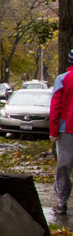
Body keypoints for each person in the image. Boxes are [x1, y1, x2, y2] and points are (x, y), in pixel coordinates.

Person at [49, 49, 73, 216]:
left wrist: (53, 130)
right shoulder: (63, 79)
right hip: (67, 128)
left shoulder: (62, 79)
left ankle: (62, 202)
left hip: (66, 130)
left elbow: (55, 106)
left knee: (64, 166)